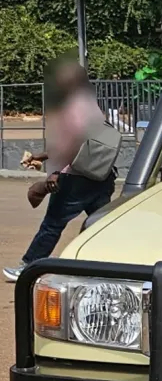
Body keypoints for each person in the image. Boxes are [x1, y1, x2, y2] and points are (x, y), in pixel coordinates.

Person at [4, 56, 115, 282]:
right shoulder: (90, 107)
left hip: (75, 178)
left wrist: (55, 172)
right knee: (101, 223)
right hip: (101, 176)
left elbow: (72, 144)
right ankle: (112, 264)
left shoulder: (73, 108)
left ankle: (29, 265)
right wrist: (42, 156)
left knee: (52, 224)